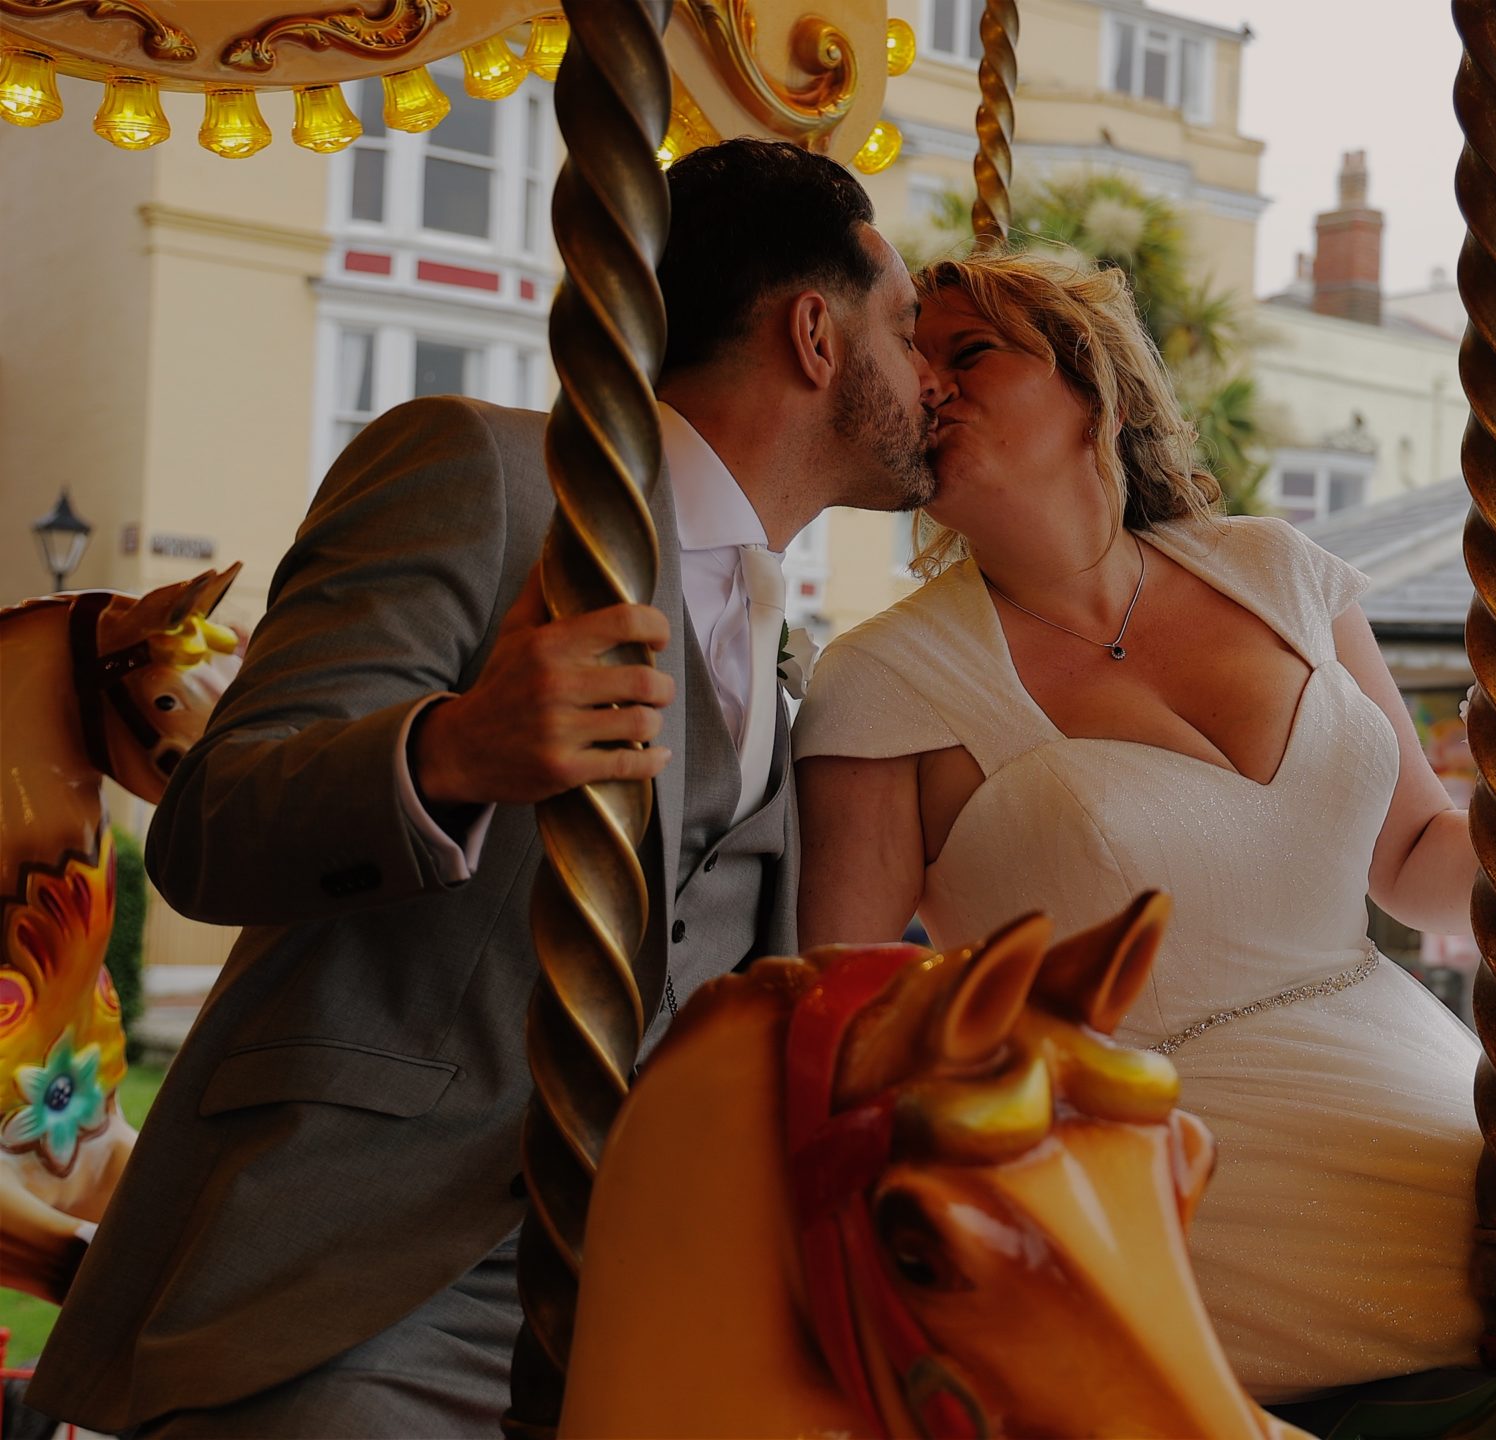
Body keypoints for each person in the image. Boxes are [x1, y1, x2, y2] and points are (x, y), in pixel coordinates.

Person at [28, 140, 938, 1439]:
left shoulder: (796, 649)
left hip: (655, 1297)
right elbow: (213, 822)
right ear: (814, 332)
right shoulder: (485, 476)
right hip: (374, 1272)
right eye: (906, 329)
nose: (929, 378)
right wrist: (448, 751)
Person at [791, 250, 1496, 1400]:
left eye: (970, 350)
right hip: (1147, 1146)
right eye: (913, 356)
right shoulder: (885, 679)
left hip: (1399, 1062)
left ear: (1095, 384)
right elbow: (852, 1019)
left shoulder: (1278, 573)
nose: (929, 381)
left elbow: (1418, 862)